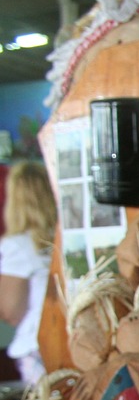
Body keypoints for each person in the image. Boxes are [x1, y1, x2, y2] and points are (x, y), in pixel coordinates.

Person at [0, 162, 56, 385]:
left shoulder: (17, 246)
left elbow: (10, 311)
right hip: (73, 342)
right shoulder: (66, 238)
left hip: (36, 347)